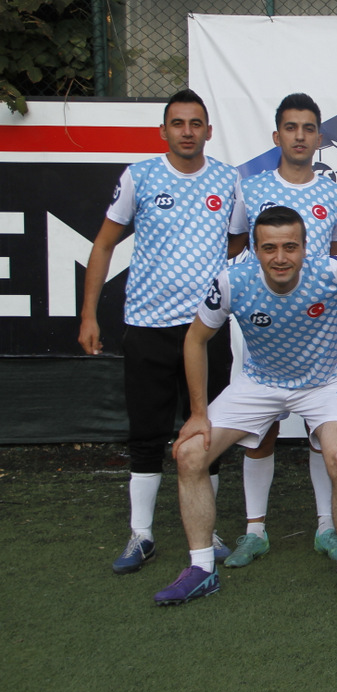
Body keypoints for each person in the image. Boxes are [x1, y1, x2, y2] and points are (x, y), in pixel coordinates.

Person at [152, 206, 337, 605]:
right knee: (190, 454)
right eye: (269, 248)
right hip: (260, 383)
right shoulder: (232, 281)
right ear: (254, 250)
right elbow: (195, 339)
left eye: (290, 247)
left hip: (323, 383)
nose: (280, 257)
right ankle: (201, 569)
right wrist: (197, 414)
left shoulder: (332, 271)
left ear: (306, 248)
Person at [79, 89, 242, 575]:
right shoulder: (140, 176)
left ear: (208, 131)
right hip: (147, 324)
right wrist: (88, 315)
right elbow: (104, 244)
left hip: (206, 328)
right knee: (147, 430)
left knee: (207, 429)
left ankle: (208, 529)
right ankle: (142, 533)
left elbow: (237, 242)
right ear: (163, 130)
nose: (187, 131)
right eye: (178, 123)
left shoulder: (228, 180)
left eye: (196, 123)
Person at [222, 93, 337, 570]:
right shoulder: (251, 189)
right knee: (260, 433)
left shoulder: (336, 194)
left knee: (324, 435)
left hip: (317, 334)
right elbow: (237, 249)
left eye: (308, 128)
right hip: (263, 333)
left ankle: (326, 527)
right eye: (291, 127)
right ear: (276, 135)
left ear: (320, 138)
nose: (300, 136)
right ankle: (255, 531)